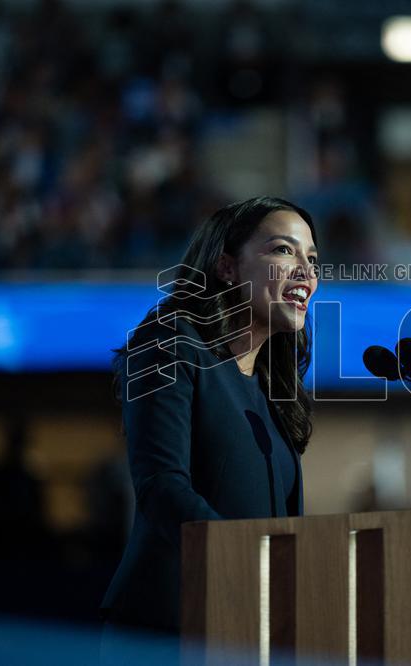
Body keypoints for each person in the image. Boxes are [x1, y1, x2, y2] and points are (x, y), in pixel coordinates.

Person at [99, 196, 319, 662]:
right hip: (169, 630)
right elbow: (162, 486)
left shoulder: (273, 390)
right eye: (284, 250)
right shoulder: (167, 344)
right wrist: (245, 559)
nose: (306, 272)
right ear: (227, 267)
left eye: (312, 258)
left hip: (251, 631)